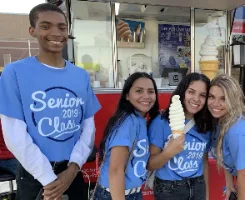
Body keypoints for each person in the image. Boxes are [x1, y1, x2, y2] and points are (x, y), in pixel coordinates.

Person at [0, 3, 101, 200]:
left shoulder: (80, 75)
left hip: (72, 172)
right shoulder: (14, 73)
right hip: (34, 175)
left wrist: (72, 170)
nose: (56, 33)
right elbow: (14, 136)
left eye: (62, 27)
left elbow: (88, 129)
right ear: (32, 30)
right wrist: (48, 178)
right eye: (46, 26)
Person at [93, 72, 159, 200]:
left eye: (151, 91)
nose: (146, 96)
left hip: (132, 192)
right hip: (115, 194)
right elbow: (116, 171)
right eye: (139, 91)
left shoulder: (139, 119)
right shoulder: (128, 122)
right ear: (127, 95)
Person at [147, 73, 213, 200]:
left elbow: (203, 162)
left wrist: (206, 195)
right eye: (191, 92)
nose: (196, 98)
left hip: (198, 185)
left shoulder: (205, 125)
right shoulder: (161, 122)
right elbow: (150, 164)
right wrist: (168, 152)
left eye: (202, 95)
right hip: (169, 189)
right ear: (182, 92)